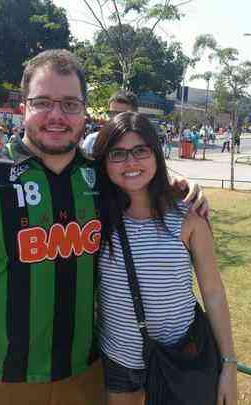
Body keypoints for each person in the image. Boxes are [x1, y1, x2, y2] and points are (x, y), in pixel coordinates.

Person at [0, 49, 207, 405]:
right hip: (3, 383)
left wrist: (175, 180)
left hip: (87, 376)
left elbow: (139, 175)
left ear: (85, 111)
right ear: (24, 106)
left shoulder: (100, 177)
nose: (56, 115)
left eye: (70, 104)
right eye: (43, 102)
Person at [91, 112, 237, 405]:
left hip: (180, 355)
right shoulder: (95, 215)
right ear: (104, 162)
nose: (130, 162)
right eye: (117, 154)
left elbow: (213, 293)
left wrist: (230, 365)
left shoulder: (189, 215)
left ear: (156, 154)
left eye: (140, 151)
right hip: (120, 360)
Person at [81, 90, 139, 156]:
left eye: (121, 114)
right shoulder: (93, 140)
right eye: (112, 113)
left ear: (134, 115)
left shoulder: (142, 143)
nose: (115, 118)